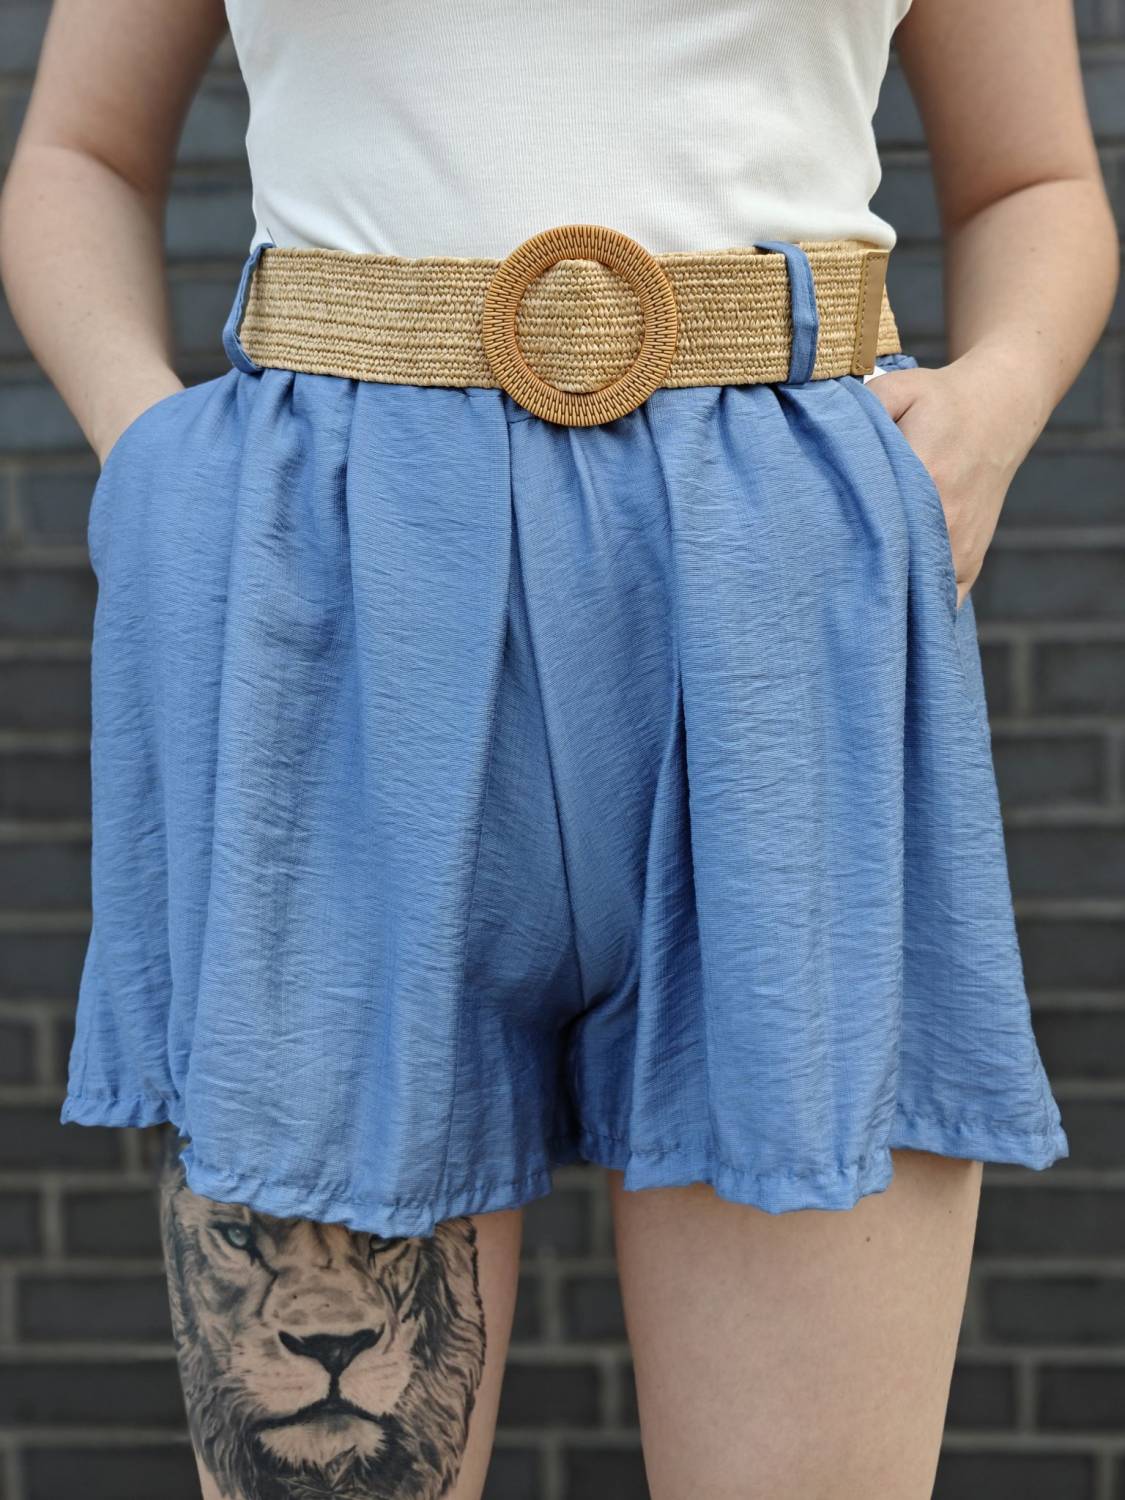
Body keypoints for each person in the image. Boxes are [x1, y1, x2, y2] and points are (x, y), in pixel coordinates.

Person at [0, 2, 1116, 1497]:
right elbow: (77, 152)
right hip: (342, 626)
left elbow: (1034, 181)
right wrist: (156, 473)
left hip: (783, 638)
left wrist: (990, 406)